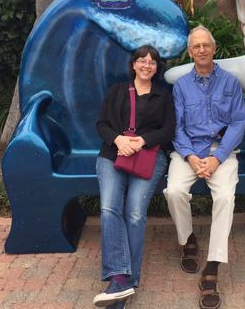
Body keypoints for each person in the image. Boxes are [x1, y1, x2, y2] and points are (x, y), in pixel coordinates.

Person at [164, 25, 245, 309]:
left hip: (220, 154)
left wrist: (218, 157)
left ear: (213, 49)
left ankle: (212, 267)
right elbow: (175, 127)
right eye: (196, 46)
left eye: (206, 45)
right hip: (188, 152)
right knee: (174, 191)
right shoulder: (181, 87)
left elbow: (239, 122)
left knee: (225, 197)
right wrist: (189, 157)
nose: (201, 50)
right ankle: (188, 239)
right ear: (190, 52)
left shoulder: (230, 83)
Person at [93, 45, 175, 309]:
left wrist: (142, 140)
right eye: (142, 60)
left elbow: (169, 131)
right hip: (112, 155)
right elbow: (101, 124)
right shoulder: (117, 91)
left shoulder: (164, 96)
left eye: (152, 62)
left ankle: (126, 281)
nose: (147, 65)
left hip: (149, 156)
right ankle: (121, 279)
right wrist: (118, 139)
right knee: (108, 209)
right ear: (133, 65)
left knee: (136, 213)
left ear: (156, 67)